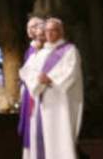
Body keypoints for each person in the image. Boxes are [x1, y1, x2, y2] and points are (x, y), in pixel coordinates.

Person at [19, 18, 83, 159]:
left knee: (60, 138)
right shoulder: (40, 53)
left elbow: (71, 73)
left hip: (60, 104)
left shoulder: (70, 51)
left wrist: (51, 79)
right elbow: (26, 72)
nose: (49, 34)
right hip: (42, 104)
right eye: (46, 30)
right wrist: (38, 80)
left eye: (53, 30)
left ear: (61, 31)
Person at [18, 17, 45, 158]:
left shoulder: (48, 49)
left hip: (43, 93)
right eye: (29, 27)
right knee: (32, 129)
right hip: (30, 94)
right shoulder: (29, 51)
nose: (32, 30)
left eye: (35, 26)